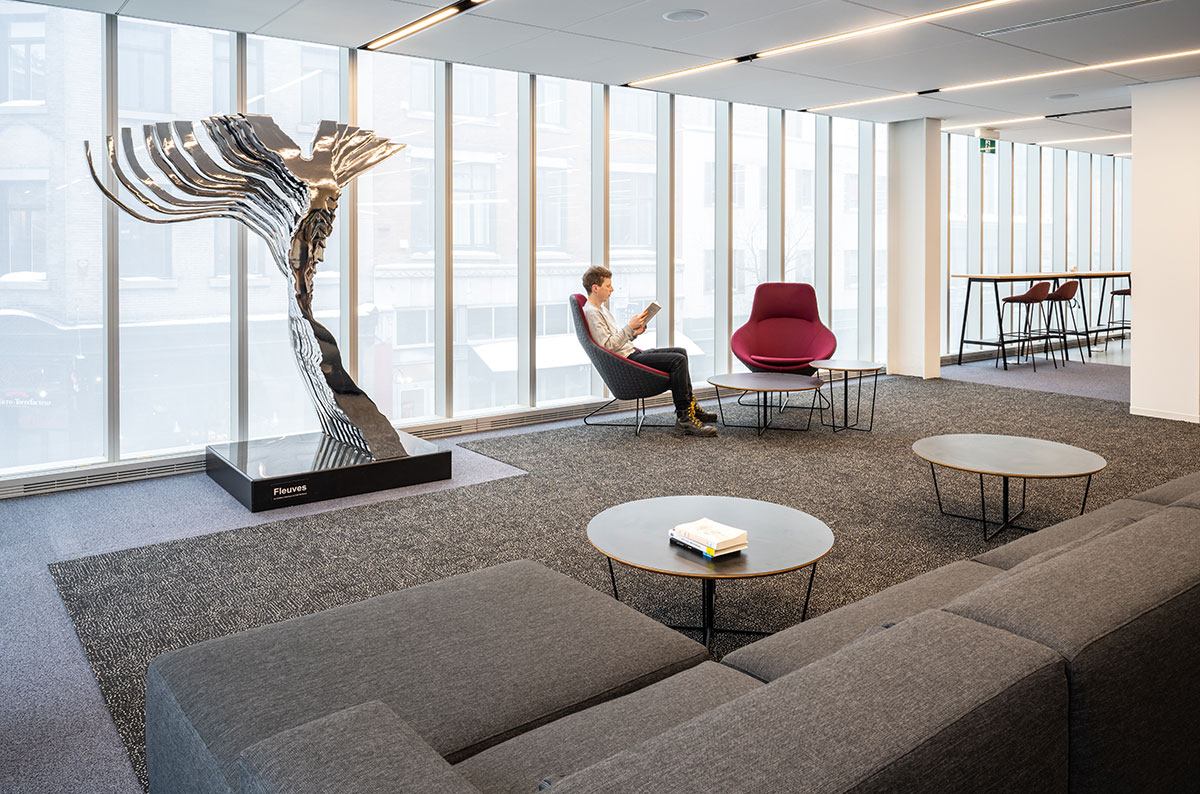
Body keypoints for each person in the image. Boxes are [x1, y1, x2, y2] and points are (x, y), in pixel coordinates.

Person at [581, 265, 718, 436]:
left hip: (630, 354)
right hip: (627, 362)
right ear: (595, 288)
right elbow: (608, 346)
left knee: (681, 352)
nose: (612, 289)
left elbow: (614, 341)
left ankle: (691, 409)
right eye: (608, 285)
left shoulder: (601, 309)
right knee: (678, 361)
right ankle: (684, 419)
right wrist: (629, 327)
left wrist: (633, 333)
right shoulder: (592, 313)